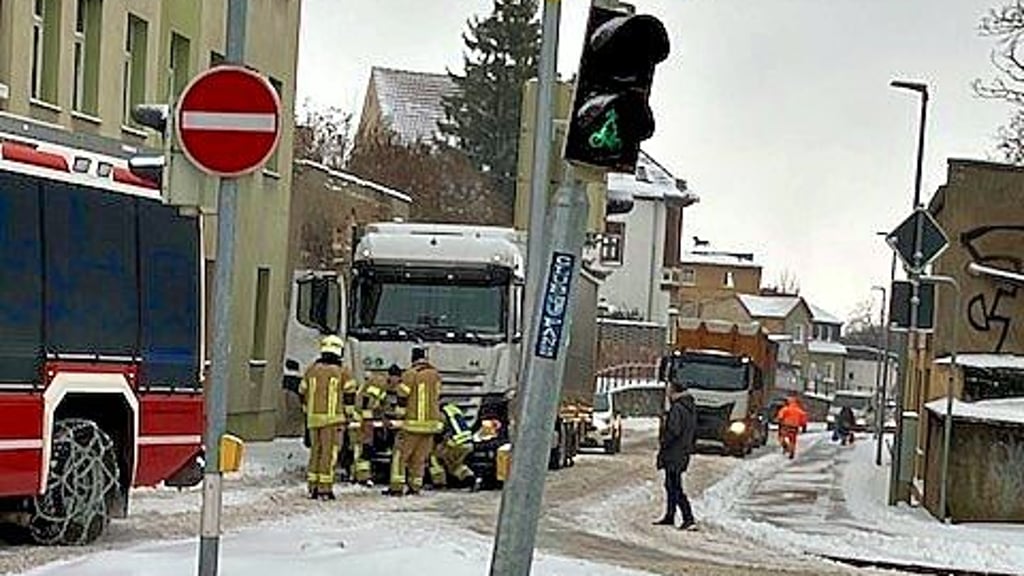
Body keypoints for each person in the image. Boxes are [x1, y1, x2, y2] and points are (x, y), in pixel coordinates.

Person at [298, 335, 352, 500]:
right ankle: (325, 489)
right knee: (329, 454)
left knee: (316, 452)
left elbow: (302, 392)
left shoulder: (311, 370)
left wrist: (308, 410)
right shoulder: (342, 372)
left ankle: (313, 487)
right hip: (333, 420)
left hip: (313, 420)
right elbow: (349, 394)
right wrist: (349, 415)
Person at [386, 347, 442, 496]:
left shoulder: (410, 374)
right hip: (431, 425)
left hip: (412, 425)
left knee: (400, 456)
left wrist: (399, 415)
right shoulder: (435, 375)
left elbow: (402, 394)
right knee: (420, 458)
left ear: (413, 359)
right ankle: (415, 486)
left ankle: (396, 487)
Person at [654, 381, 697, 531]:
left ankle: (688, 517)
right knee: (670, 484)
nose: (667, 393)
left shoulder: (678, 408)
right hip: (682, 451)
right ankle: (670, 515)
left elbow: (674, 430)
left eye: (669, 390)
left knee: (675, 486)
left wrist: (664, 441)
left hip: (674, 452)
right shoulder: (689, 408)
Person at [430, 403, 479, 490]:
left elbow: (439, 428)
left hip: (456, 442)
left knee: (435, 457)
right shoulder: (453, 409)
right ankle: (471, 480)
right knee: (455, 466)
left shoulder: (441, 412)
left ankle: (439, 483)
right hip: (468, 442)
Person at [352, 373, 387, 485]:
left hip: (362, 419)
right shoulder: (378, 383)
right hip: (363, 420)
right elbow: (367, 402)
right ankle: (361, 477)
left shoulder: (374, 382)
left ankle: (358, 475)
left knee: (361, 449)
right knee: (363, 449)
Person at [776, 395, 808, 459]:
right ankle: (792, 452)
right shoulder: (800, 411)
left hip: (785, 426)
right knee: (792, 440)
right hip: (794, 427)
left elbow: (780, 417)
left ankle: (785, 446)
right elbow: (804, 420)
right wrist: (803, 426)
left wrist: (779, 421)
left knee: (781, 437)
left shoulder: (785, 409)